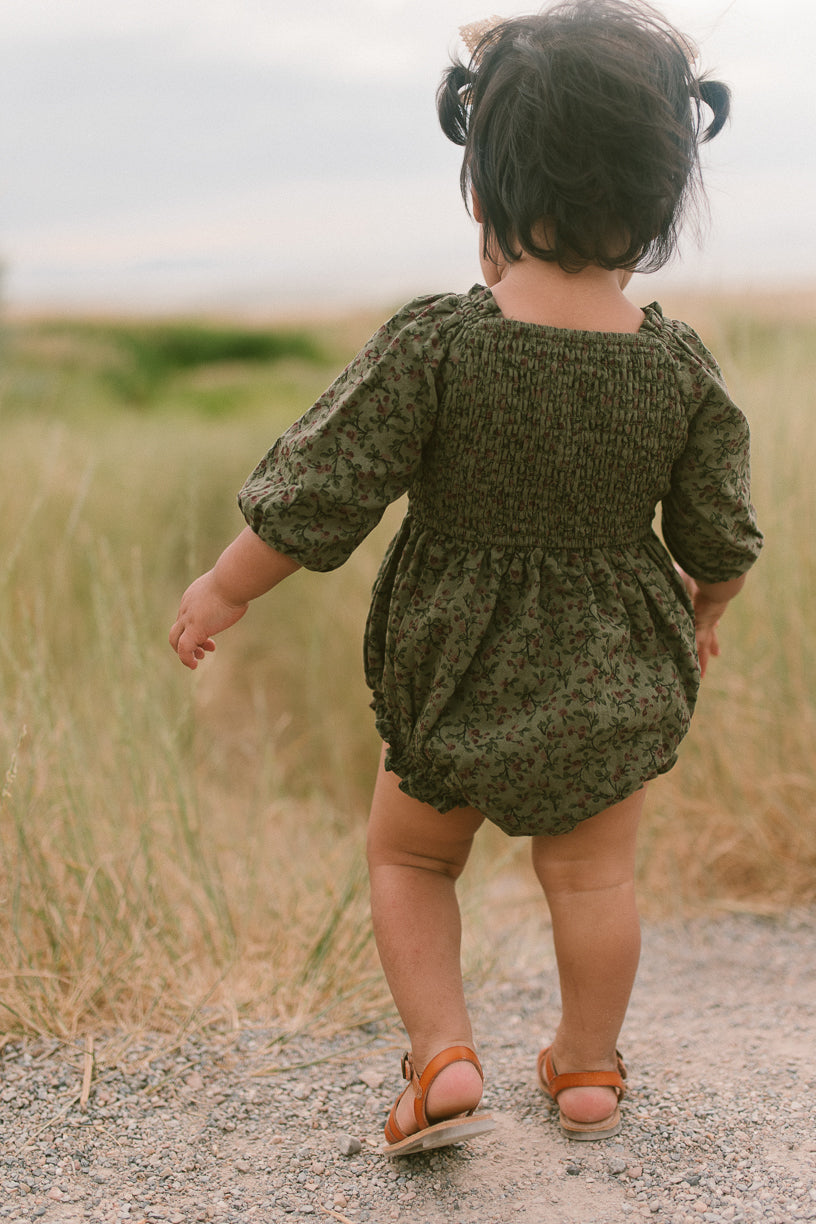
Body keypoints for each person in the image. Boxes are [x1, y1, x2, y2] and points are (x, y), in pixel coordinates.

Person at [170, 0, 763, 1155]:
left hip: (453, 663)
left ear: (482, 189)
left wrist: (229, 585)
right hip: (611, 669)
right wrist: (707, 612)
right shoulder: (676, 368)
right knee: (594, 884)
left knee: (408, 856)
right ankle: (588, 1068)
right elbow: (721, 531)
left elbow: (319, 487)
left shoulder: (440, 343)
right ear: (660, 200)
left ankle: (443, 1055)